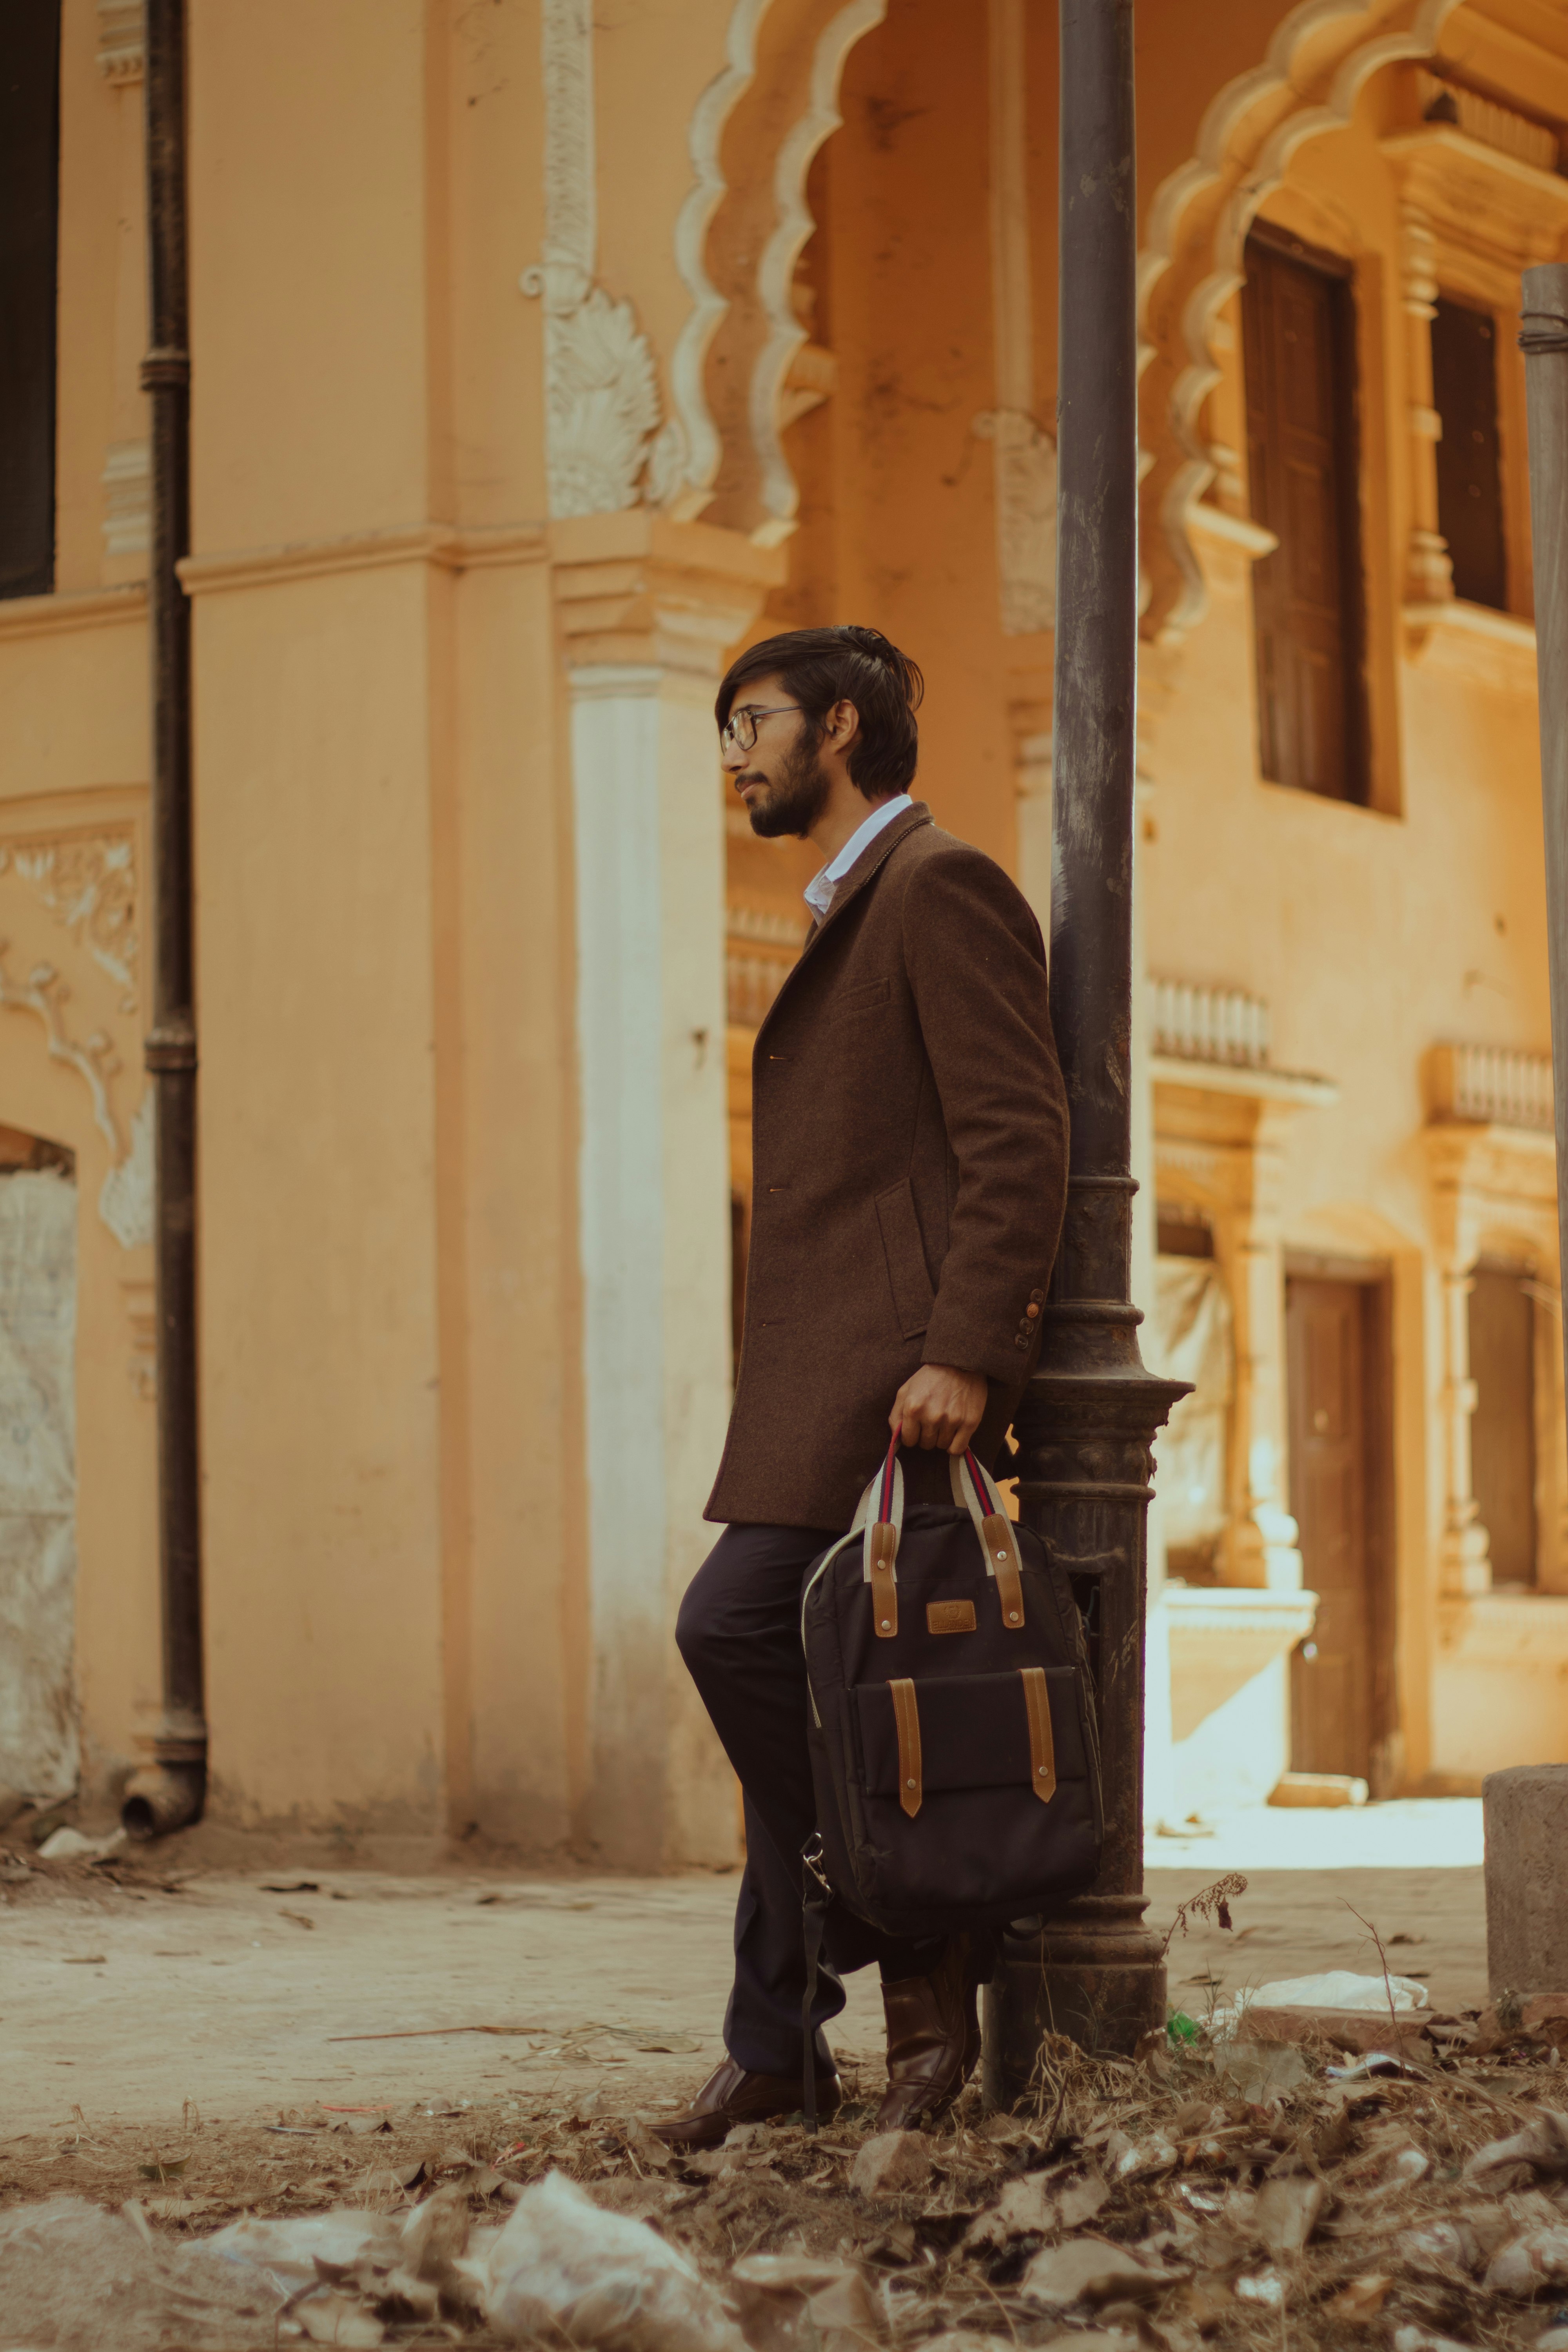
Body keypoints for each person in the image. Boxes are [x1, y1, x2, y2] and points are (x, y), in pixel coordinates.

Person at [655, 625, 1069, 2151]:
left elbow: (1018, 1132)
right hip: (832, 1378)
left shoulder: (934, 884)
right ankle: (776, 2045)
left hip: (891, 1379)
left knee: (735, 1628)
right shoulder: (849, 901)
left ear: (836, 726)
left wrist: (966, 1345)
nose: (733, 757)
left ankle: (913, 1944)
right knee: (815, 1686)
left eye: (749, 723)